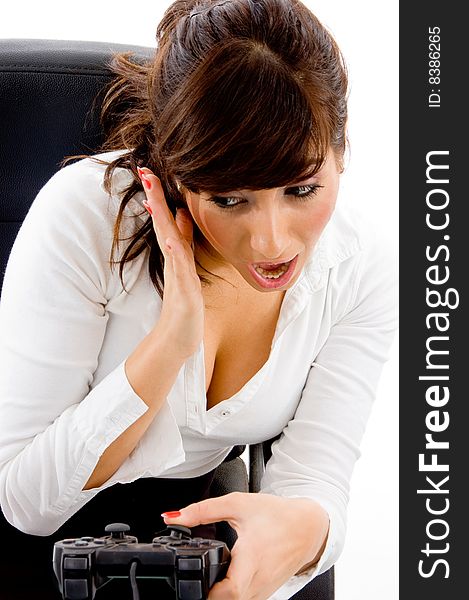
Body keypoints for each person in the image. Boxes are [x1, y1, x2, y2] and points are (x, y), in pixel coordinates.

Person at [0, 0, 397, 598]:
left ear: (343, 152)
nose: (272, 242)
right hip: (40, 539)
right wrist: (170, 341)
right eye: (231, 199)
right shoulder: (86, 213)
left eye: (302, 188)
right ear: (178, 173)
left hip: (194, 534)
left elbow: (314, 480)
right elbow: (25, 503)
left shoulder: (357, 262)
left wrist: (294, 539)